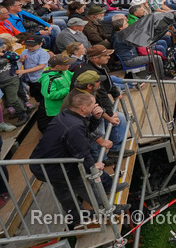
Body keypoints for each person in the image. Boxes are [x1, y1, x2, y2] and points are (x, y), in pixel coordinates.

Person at [29, 91, 126, 226]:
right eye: (93, 104)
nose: (96, 106)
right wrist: (93, 167)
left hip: (48, 163)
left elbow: (85, 131)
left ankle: (76, 215)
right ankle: (106, 210)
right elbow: (82, 152)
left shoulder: (69, 115)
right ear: (83, 108)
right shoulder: (73, 125)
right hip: (51, 166)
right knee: (83, 182)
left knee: (65, 188)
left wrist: (96, 118)